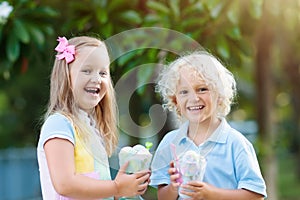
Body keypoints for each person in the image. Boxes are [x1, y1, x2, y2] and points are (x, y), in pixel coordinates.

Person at [37, 36, 150, 200]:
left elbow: (99, 191)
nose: (96, 79)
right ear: (65, 76)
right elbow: (65, 184)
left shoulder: (93, 128)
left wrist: (126, 189)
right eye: (86, 70)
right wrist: (117, 187)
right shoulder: (59, 124)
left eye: (103, 72)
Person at [150, 51, 267, 199]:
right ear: (175, 100)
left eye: (202, 89)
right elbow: (162, 197)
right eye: (184, 92)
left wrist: (210, 194)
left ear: (219, 95)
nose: (194, 98)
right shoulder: (169, 143)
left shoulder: (236, 143)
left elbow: (255, 195)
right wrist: (174, 187)